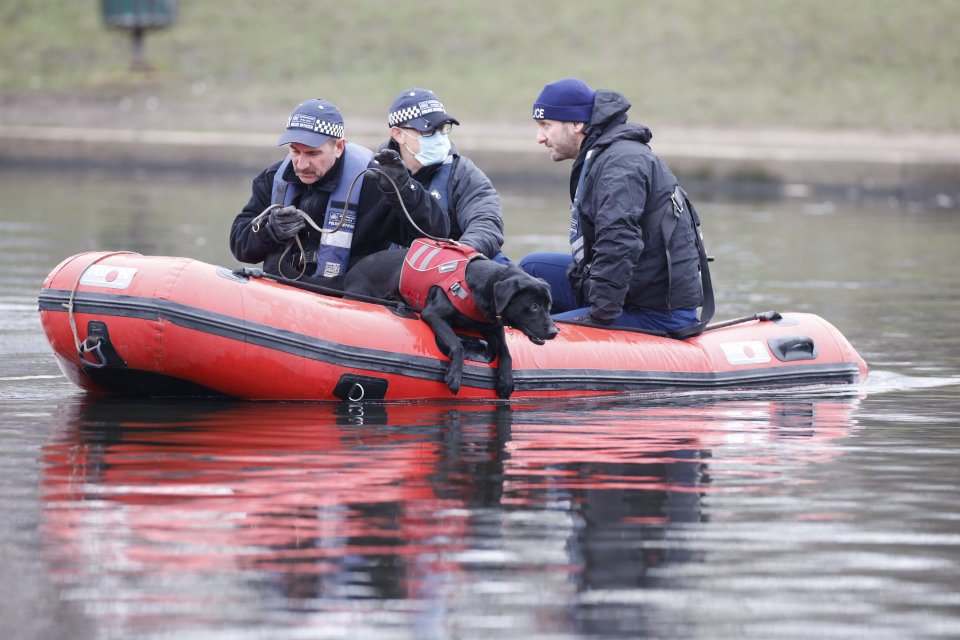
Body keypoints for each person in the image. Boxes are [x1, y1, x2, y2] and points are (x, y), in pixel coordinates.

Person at [519, 78, 711, 334]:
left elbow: (618, 243)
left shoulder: (620, 165)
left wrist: (596, 320)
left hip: (657, 312)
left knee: (533, 330)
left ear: (576, 124)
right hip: (632, 290)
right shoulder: (602, 155)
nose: (539, 137)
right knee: (532, 268)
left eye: (546, 125)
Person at [230, 97, 449, 286]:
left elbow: (435, 233)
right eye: (295, 151)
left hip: (347, 301)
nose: (302, 164)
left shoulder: (372, 183)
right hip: (282, 290)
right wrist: (270, 231)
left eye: (313, 154)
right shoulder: (274, 179)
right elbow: (240, 245)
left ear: (339, 147)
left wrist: (405, 188)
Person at [383, 88, 509, 263]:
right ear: (398, 134)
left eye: (442, 128)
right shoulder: (376, 174)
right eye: (428, 130)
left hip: (453, 269)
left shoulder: (464, 173)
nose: (439, 137)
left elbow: (486, 224)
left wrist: (453, 258)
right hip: (392, 271)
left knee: (500, 265)